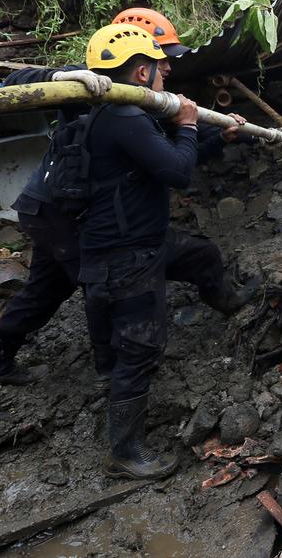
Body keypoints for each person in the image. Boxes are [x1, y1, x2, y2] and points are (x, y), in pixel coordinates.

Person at [0, 9, 254, 389]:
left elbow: (167, 162)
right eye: (162, 54)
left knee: (54, 284)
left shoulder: (140, 105)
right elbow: (12, 82)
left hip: (74, 208)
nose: (168, 64)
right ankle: (107, 365)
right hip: (57, 209)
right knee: (90, 281)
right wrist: (59, 76)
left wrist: (217, 137)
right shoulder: (90, 83)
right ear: (134, 56)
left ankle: (1, 359)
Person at [76, 23, 196, 478]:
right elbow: (177, 172)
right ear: (142, 73)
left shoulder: (106, 113)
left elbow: (151, 157)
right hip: (128, 256)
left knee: (113, 340)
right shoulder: (125, 118)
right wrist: (186, 126)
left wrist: (201, 134)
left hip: (102, 249)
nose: (167, 74)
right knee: (141, 346)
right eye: (159, 68)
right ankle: (124, 454)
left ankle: (112, 392)